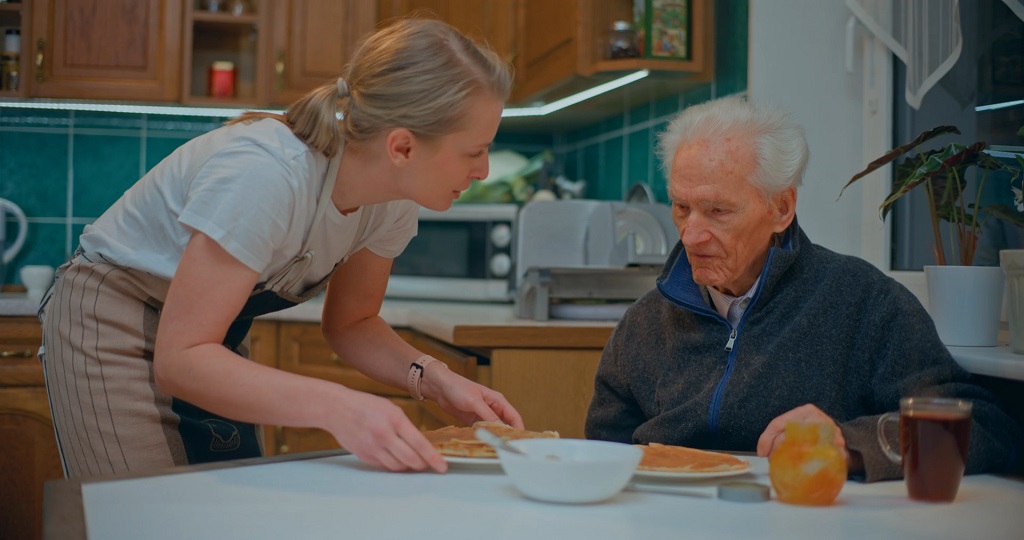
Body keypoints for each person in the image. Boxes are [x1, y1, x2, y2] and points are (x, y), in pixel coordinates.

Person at [38, 18, 523, 480]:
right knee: (155, 517)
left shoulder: (393, 201)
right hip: (113, 321)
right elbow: (181, 359)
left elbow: (352, 323)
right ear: (401, 148)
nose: (482, 171)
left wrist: (434, 379)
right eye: (474, 151)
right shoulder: (268, 174)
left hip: (209, 338)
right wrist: (340, 406)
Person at [584, 95, 1022, 481]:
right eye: (682, 208)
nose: (691, 235)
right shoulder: (646, 322)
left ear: (781, 208)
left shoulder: (863, 302)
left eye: (717, 210)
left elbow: (982, 428)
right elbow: (603, 453)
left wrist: (851, 444)